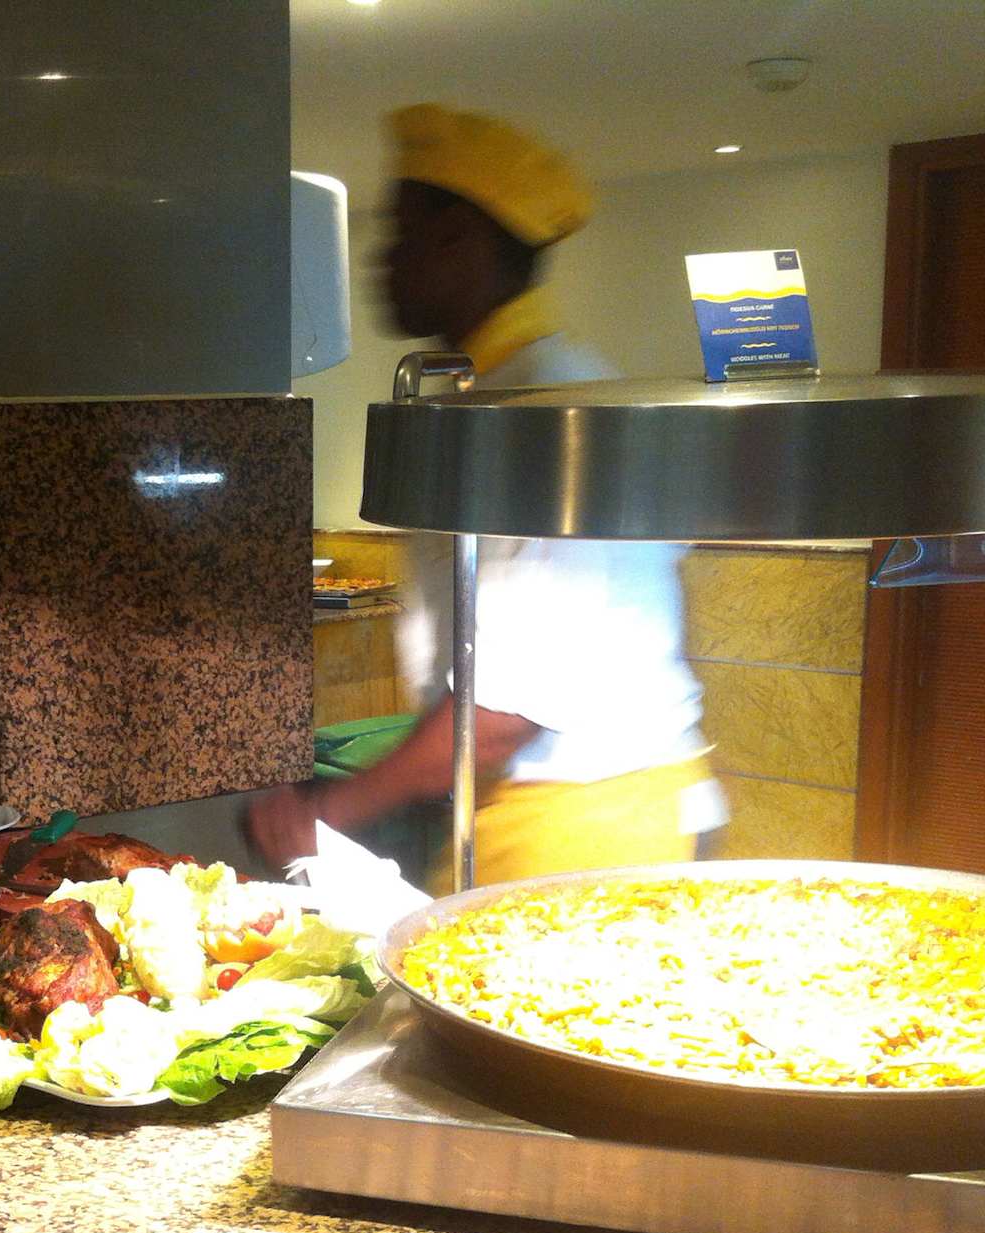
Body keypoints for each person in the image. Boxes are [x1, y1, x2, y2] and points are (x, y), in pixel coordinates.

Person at [249, 105, 723, 890]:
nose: (379, 260)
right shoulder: (489, 389)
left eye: (399, 234)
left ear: (456, 238)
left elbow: (504, 714)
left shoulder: (544, 408)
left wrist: (327, 811)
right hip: (550, 809)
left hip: (592, 824)